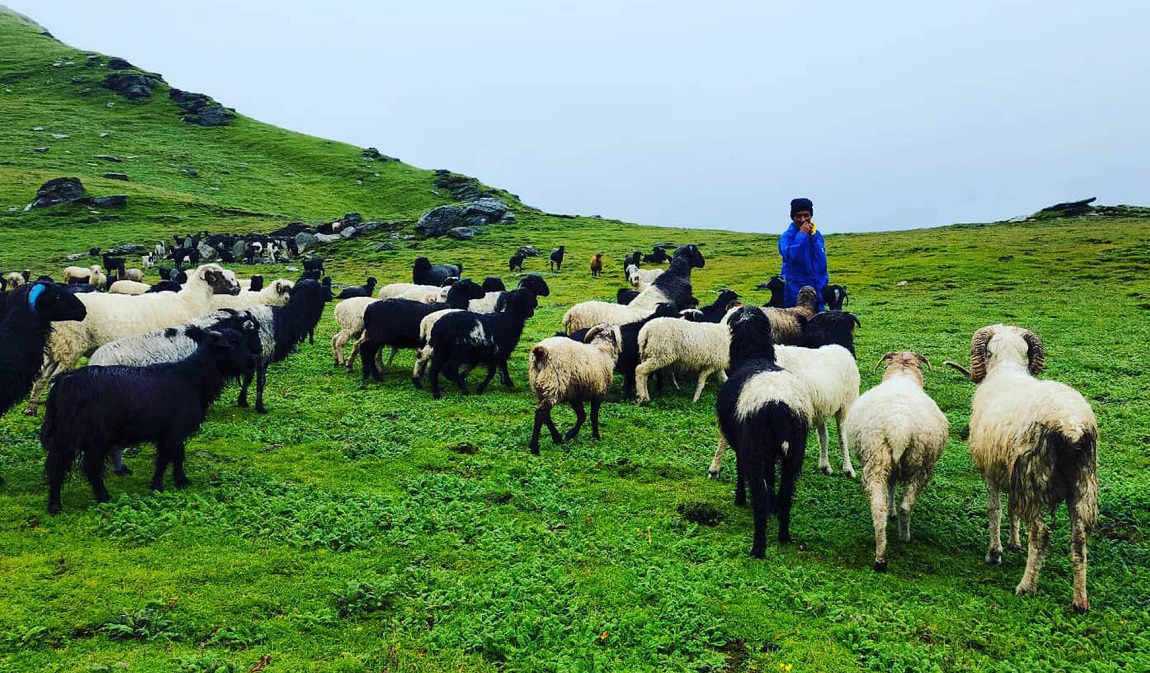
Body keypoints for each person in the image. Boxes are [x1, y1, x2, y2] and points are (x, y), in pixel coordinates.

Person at [778, 197, 828, 309]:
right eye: (798, 216)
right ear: (793, 217)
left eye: (806, 215)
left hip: (818, 290)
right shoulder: (786, 237)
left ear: (811, 215)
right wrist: (802, 235)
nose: (803, 219)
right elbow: (791, 257)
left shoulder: (817, 236)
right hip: (795, 292)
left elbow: (822, 264)